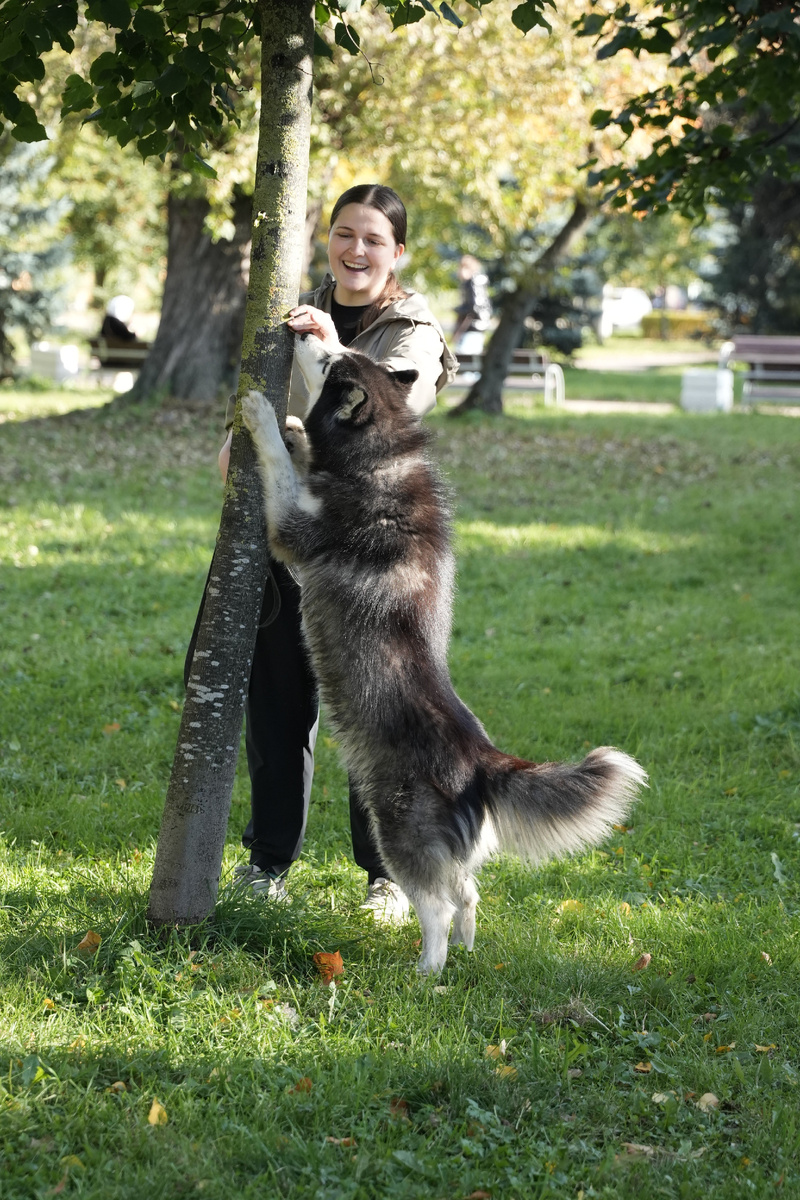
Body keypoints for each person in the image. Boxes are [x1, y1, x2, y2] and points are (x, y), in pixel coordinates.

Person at [204, 184, 457, 921]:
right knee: (278, 709)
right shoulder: (289, 309)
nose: (355, 250)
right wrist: (239, 439)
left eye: (373, 239)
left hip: (374, 550)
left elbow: (388, 414)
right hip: (289, 535)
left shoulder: (412, 327)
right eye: (344, 234)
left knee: (375, 708)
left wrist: (330, 349)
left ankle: (383, 874)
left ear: (398, 252)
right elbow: (262, 396)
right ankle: (267, 861)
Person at [452, 255, 492, 355]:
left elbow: (474, 307)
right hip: (477, 327)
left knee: (466, 358)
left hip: (473, 327)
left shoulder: (473, 282)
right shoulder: (476, 282)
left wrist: (458, 310)